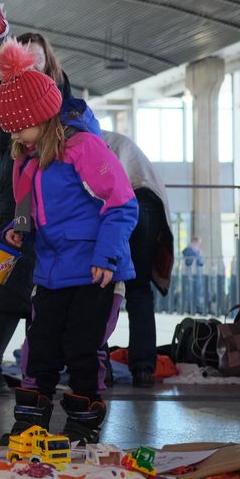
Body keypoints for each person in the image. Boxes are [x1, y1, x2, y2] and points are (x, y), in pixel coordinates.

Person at [0, 39, 136, 445]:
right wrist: (18, 228)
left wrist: (107, 256)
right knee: (39, 348)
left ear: (43, 115)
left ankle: (82, 423)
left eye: (21, 127)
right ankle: (30, 422)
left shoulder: (83, 147)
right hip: (52, 271)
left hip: (95, 271)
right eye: (11, 130)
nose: (16, 136)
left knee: (82, 348)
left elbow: (122, 203)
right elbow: (27, 204)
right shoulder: (27, 153)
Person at [0, 32, 98, 395]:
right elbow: (3, 140)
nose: (31, 63)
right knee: (8, 285)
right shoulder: (1, 99)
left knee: (53, 294)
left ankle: (40, 372)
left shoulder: (69, 101)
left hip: (62, 210)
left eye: (37, 57)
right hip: (14, 204)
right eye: (25, 57)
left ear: (49, 60)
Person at [100, 130, 175, 388]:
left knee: (100, 287)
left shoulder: (81, 139)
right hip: (149, 206)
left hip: (122, 204)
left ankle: (101, 368)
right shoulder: (115, 139)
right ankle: (143, 368)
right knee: (139, 290)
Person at [181, 236, 204, 313]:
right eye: (198, 244)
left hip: (197, 274)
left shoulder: (197, 251)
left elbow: (201, 263)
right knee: (190, 290)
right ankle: (189, 307)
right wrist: (198, 255)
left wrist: (199, 255)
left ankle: (197, 307)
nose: (198, 246)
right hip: (190, 274)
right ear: (193, 242)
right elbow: (189, 262)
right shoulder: (188, 250)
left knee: (198, 290)